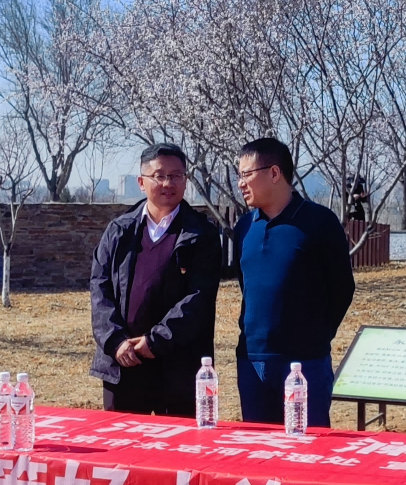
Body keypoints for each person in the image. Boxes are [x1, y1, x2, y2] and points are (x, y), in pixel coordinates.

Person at [89, 143, 222, 416]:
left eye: (176, 176)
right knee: (121, 449)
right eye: (159, 175)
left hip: (177, 369)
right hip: (123, 365)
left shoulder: (201, 234)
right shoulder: (119, 231)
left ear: (185, 181)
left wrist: (155, 341)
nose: (167, 183)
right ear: (141, 182)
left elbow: (198, 299)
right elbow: (99, 290)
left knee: (176, 452)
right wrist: (115, 342)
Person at [231, 136, 355, 426]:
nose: (241, 183)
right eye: (239, 176)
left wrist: (315, 335)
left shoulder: (319, 223)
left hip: (304, 362)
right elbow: (246, 285)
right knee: (258, 454)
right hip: (252, 360)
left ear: (274, 173)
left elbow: (342, 288)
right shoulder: (244, 227)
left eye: (247, 174)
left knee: (308, 454)